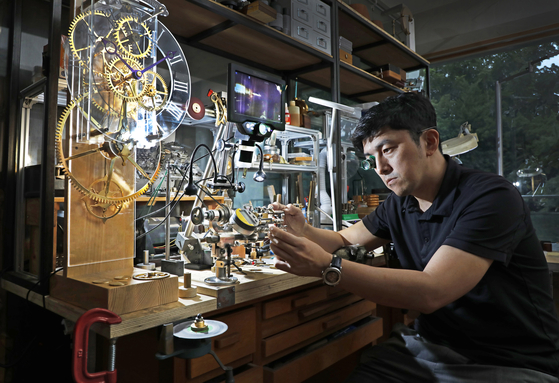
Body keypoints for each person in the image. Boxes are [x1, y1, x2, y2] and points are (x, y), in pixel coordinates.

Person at [268, 92, 559, 382]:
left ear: (429, 142)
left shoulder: (491, 196)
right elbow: (345, 241)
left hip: (510, 361)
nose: (381, 169)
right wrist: (304, 230)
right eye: (373, 158)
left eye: (389, 149)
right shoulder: (400, 202)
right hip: (427, 348)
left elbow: (433, 291)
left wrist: (328, 267)